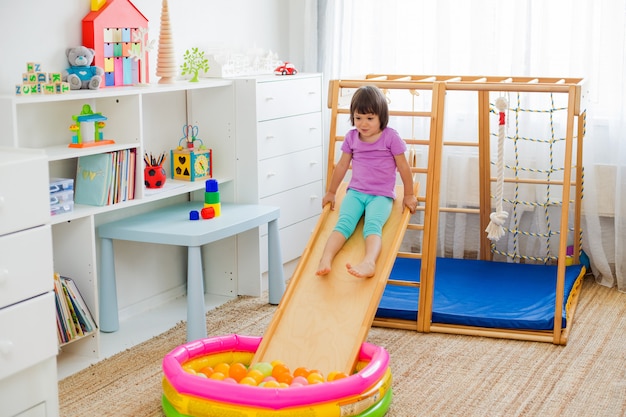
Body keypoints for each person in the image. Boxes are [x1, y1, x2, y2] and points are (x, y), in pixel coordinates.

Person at [316, 85, 417, 278]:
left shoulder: (390, 137)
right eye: (358, 117)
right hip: (355, 192)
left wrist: (409, 194)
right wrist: (331, 191)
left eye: (370, 118)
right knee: (343, 224)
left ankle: (369, 262)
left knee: (372, 226)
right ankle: (326, 258)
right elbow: (342, 166)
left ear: (381, 117)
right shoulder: (352, 137)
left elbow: (404, 167)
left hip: (381, 195)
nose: (363, 123)